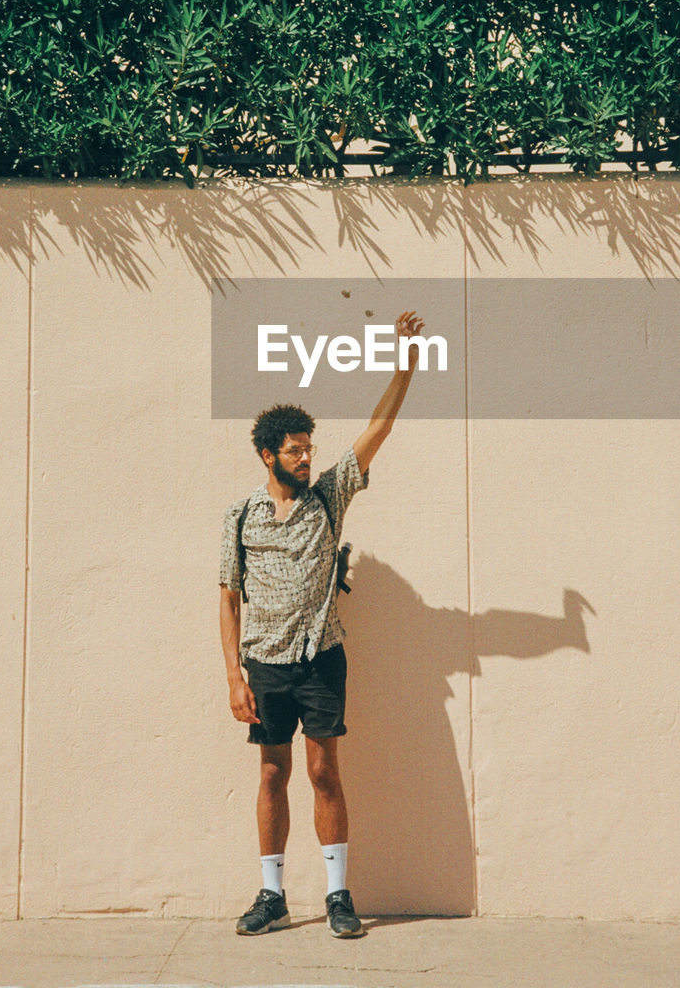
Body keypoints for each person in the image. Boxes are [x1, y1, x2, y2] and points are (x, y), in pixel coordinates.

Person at [219, 311, 425, 938]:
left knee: (321, 771)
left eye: (310, 449)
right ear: (268, 454)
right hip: (263, 663)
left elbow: (379, 429)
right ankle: (272, 894)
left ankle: (338, 895)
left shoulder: (329, 496)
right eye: (295, 450)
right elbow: (229, 598)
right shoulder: (241, 515)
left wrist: (405, 364)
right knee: (272, 772)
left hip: (320, 657)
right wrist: (234, 675)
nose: (307, 458)